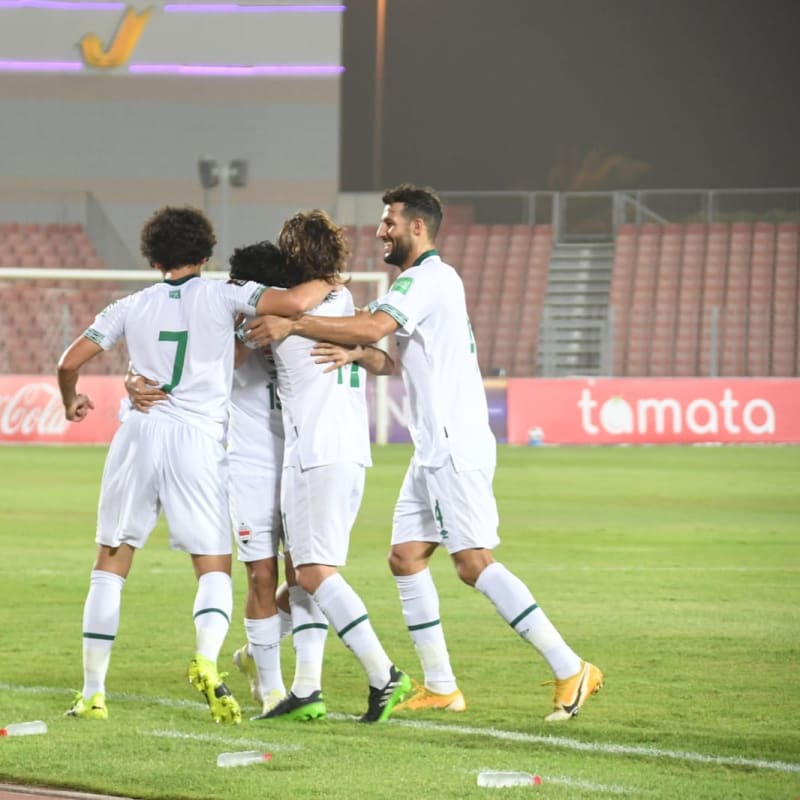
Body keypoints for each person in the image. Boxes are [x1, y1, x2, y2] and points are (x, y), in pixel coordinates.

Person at [245, 185, 604, 722]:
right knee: (405, 558)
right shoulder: (419, 284)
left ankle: (571, 667)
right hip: (431, 446)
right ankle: (440, 685)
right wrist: (357, 349)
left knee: (473, 563)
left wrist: (298, 323)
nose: (380, 230)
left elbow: (372, 328)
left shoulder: (427, 278)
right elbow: (383, 352)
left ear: (417, 227)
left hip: (455, 441)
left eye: (389, 221)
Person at [57, 206, 332, 724]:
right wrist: (329, 275)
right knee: (212, 567)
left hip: (137, 434)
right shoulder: (226, 295)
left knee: (111, 562)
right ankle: (206, 659)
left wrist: (71, 400)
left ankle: (93, 692)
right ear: (205, 254)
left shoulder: (129, 305)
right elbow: (295, 301)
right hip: (197, 442)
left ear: (152, 255)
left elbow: (69, 362)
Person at [253, 208, 411, 723]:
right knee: (302, 573)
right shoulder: (345, 303)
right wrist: (360, 351)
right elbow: (384, 357)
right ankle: (306, 688)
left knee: (317, 571)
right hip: (346, 453)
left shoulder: (285, 316)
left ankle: (383, 672)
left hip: (316, 454)